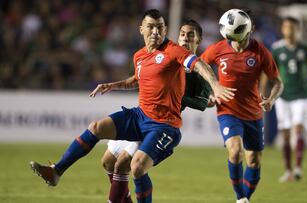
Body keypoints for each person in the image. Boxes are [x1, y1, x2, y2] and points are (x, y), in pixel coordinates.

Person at [29, 9, 235, 203]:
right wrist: (113, 85)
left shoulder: (173, 51)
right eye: (151, 27)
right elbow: (139, 79)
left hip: (163, 125)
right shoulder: (139, 56)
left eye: (160, 27)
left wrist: (215, 85)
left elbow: (198, 64)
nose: (156, 32)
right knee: (98, 133)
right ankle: (56, 172)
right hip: (140, 116)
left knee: (133, 167)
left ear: (165, 30)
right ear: (142, 29)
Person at [101, 19, 211, 203]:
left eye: (191, 35)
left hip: (159, 123)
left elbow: (202, 102)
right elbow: (142, 77)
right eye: (182, 34)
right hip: (141, 115)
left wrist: (176, 95)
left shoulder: (199, 70)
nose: (185, 38)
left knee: (127, 165)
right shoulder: (168, 55)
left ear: (199, 41)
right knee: (107, 161)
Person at [200, 9, 283, 203]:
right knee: (235, 151)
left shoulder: (261, 52)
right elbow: (199, 67)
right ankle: (240, 197)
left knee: (253, 160)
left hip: (253, 113)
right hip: (228, 111)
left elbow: (278, 82)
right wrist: (209, 94)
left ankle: (245, 198)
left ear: (250, 29)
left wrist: (271, 98)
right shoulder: (218, 49)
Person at [270, 16, 307, 182]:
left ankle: (298, 168)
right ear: (282, 29)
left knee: (298, 128)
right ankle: (288, 170)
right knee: (285, 134)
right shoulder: (276, 49)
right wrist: (264, 91)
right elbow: (270, 71)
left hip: (301, 95)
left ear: (297, 30)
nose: (289, 30)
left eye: (292, 27)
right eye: (286, 27)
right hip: (283, 96)